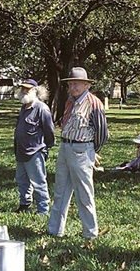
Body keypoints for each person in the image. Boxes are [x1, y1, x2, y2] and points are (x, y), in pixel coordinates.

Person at [47, 67, 108, 247]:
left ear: (86, 84)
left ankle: (90, 232)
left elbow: (103, 132)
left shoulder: (94, 102)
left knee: (84, 193)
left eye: (76, 83)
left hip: (82, 150)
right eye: (70, 84)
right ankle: (55, 230)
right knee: (60, 191)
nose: (73, 87)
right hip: (65, 147)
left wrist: (92, 150)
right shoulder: (70, 102)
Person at [14, 78, 55, 214]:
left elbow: (49, 132)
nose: (24, 91)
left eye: (28, 89)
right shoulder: (23, 107)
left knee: (39, 182)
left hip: (35, 152)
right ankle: (24, 204)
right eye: (23, 88)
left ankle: (43, 210)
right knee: (22, 180)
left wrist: (45, 148)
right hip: (21, 151)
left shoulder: (42, 109)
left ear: (36, 91)